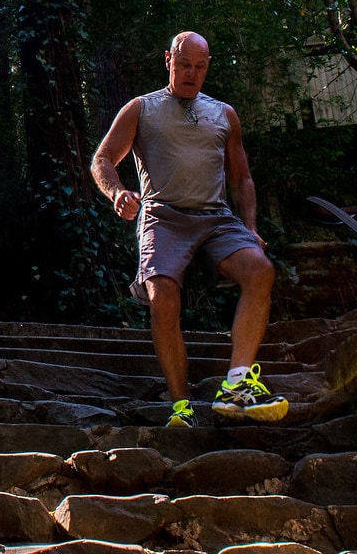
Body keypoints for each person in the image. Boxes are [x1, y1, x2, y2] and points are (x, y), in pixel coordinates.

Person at [87, 31, 286, 427]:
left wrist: (250, 227)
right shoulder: (141, 108)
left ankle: (237, 385)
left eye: (199, 67)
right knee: (162, 295)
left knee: (260, 270)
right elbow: (102, 159)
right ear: (168, 61)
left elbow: (242, 178)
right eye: (183, 65)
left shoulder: (224, 114)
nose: (191, 74)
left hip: (216, 218)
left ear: (207, 66)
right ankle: (182, 408)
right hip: (163, 216)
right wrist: (118, 193)